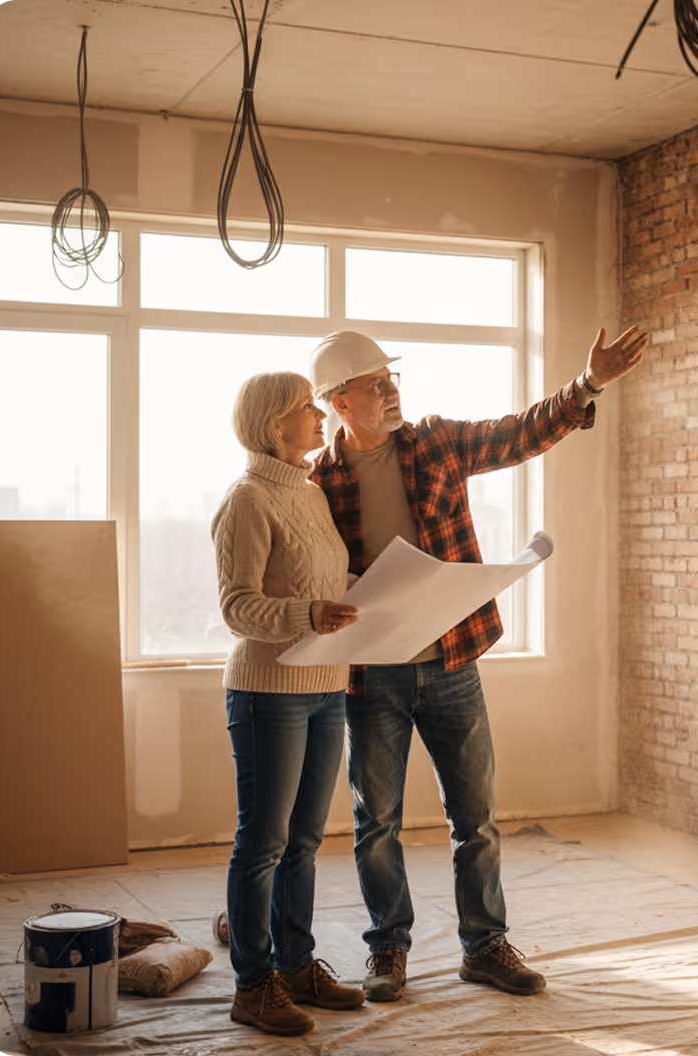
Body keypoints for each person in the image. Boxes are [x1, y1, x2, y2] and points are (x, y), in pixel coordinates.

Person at [307, 326, 648, 1002]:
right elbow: (303, 569)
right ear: (339, 403)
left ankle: (485, 947)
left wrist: (588, 385)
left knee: (476, 819)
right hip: (373, 674)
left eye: (391, 378)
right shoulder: (317, 480)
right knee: (377, 823)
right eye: (374, 384)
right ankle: (388, 951)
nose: (391, 390)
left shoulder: (432, 441)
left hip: (452, 664)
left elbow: (519, 434)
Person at [211, 371, 366, 1036]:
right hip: (267, 692)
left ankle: (297, 967)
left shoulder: (310, 492)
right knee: (264, 844)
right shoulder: (247, 499)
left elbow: (330, 581)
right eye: (308, 407)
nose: (319, 415)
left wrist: (385, 591)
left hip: (326, 687)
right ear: (277, 426)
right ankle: (254, 984)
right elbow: (237, 605)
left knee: (303, 841)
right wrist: (308, 612)